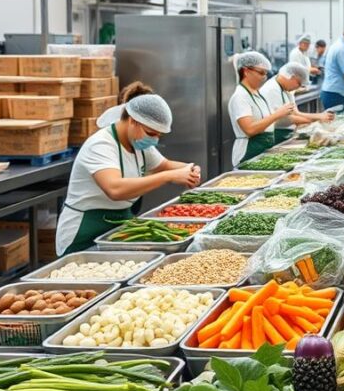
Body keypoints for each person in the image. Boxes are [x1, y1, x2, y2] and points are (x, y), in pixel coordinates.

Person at [56, 83, 200, 255]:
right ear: (133, 121)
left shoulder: (139, 143)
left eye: (159, 135)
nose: (154, 140)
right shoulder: (101, 144)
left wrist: (189, 169)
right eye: (151, 133)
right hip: (84, 232)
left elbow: (165, 165)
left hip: (119, 228)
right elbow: (115, 189)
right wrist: (169, 176)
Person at [228, 51, 296, 165]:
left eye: (266, 74)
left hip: (262, 151)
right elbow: (249, 129)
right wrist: (277, 114)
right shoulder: (240, 96)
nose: (264, 77)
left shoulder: (258, 94)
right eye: (261, 73)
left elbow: (265, 123)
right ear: (246, 71)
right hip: (248, 154)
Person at [260, 61, 335, 138]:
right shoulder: (271, 90)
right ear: (292, 77)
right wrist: (316, 119)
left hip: (286, 131)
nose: (298, 87)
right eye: (299, 84)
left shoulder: (286, 89)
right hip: (275, 134)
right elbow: (280, 120)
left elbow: (296, 113)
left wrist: (319, 116)